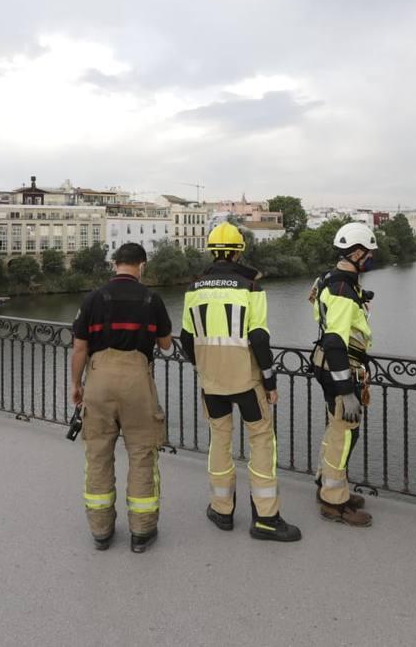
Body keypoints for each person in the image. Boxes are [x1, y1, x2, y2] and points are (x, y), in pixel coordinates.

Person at [180, 222, 301, 543]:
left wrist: (201, 367)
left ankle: (221, 509)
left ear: (211, 250)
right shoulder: (250, 288)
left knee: (219, 440)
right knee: (261, 441)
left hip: (211, 382)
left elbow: (186, 338)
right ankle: (266, 518)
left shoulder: (194, 289)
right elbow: (259, 337)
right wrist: (270, 379)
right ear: (238, 252)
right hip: (247, 380)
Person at [70, 243, 174, 552]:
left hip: (99, 380)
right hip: (137, 381)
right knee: (142, 454)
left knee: (98, 454)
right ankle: (141, 532)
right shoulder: (151, 299)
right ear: (142, 265)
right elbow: (166, 344)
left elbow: (79, 349)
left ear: (115, 264)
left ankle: (101, 531)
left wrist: (76, 385)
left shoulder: (93, 298)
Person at [308, 221, 377, 527]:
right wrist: (346, 389)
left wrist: (358, 301)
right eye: (369, 253)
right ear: (357, 252)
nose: (371, 259)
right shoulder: (341, 289)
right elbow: (336, 338)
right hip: (340, 366)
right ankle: (333, 502)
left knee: (338, 429)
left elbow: (316, 307)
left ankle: (327, 481)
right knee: (345, 433)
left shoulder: (329, 280)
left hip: (329, 363)